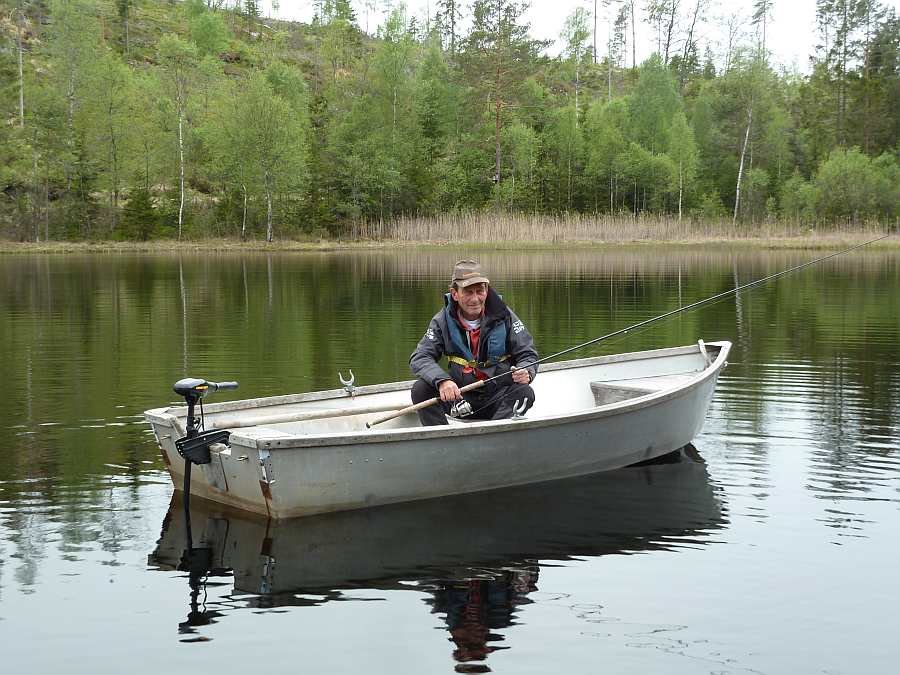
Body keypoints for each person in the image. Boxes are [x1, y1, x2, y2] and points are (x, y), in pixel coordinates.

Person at [409, 260, 538, 426]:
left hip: (498, 397)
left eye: (480, 291)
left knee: (525, 392)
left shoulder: (505, 315)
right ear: (454, 293)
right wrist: (443, 381)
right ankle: (443, 439)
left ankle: (494, 435)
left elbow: (528, 353)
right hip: (460, 398)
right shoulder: (441, 321)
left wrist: (526, 370)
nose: (475, 299)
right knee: (421, 389)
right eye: (468, 292)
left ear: (486, 290)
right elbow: (420, 357)